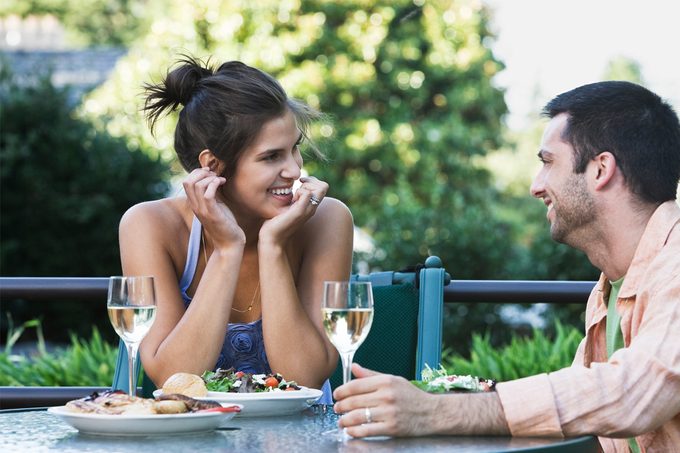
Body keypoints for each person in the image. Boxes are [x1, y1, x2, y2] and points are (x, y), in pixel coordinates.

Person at [333, 81, 680, 452]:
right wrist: (448, 402)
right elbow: (594, 413)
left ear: (601, 170)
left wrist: (435, 412)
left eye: (548, 162)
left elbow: (636, 393)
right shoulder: (609, 289)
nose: (535, 185)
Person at [119, 55, 354, 403]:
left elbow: (304, 379)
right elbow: (173, 380)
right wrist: (228, 249)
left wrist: (272, 245)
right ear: (213, 165)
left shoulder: (326, 219)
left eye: (295, 150)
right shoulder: (150, 226)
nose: (294, 170)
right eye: (271, 157)